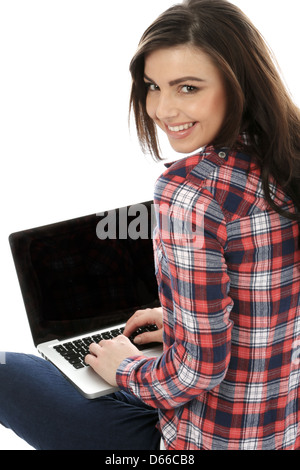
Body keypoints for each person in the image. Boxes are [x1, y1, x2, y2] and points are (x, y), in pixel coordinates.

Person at [0, 0, 299, 450]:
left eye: (188, 88)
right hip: (283, 430)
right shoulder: (287, 161)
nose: (162, 108)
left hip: (200, 441)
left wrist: (122, 367)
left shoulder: (190, 193)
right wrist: (183, 321)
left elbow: (194, 372)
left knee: (6, 373)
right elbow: (271, 303)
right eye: (152, 86)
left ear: (239, 84)